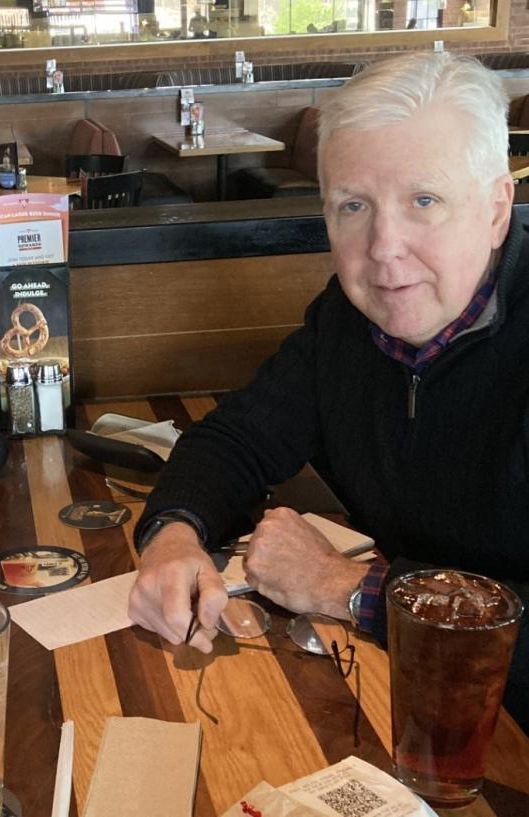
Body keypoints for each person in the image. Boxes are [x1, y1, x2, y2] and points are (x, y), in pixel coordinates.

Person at [129, 52, 529, 731]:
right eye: (352, 206)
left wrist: (353, 589)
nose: (382, 248)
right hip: (396, 698)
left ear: (495, 208)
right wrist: (172, 534)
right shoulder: (348, 318)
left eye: (423, 201)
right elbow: (235, 438)